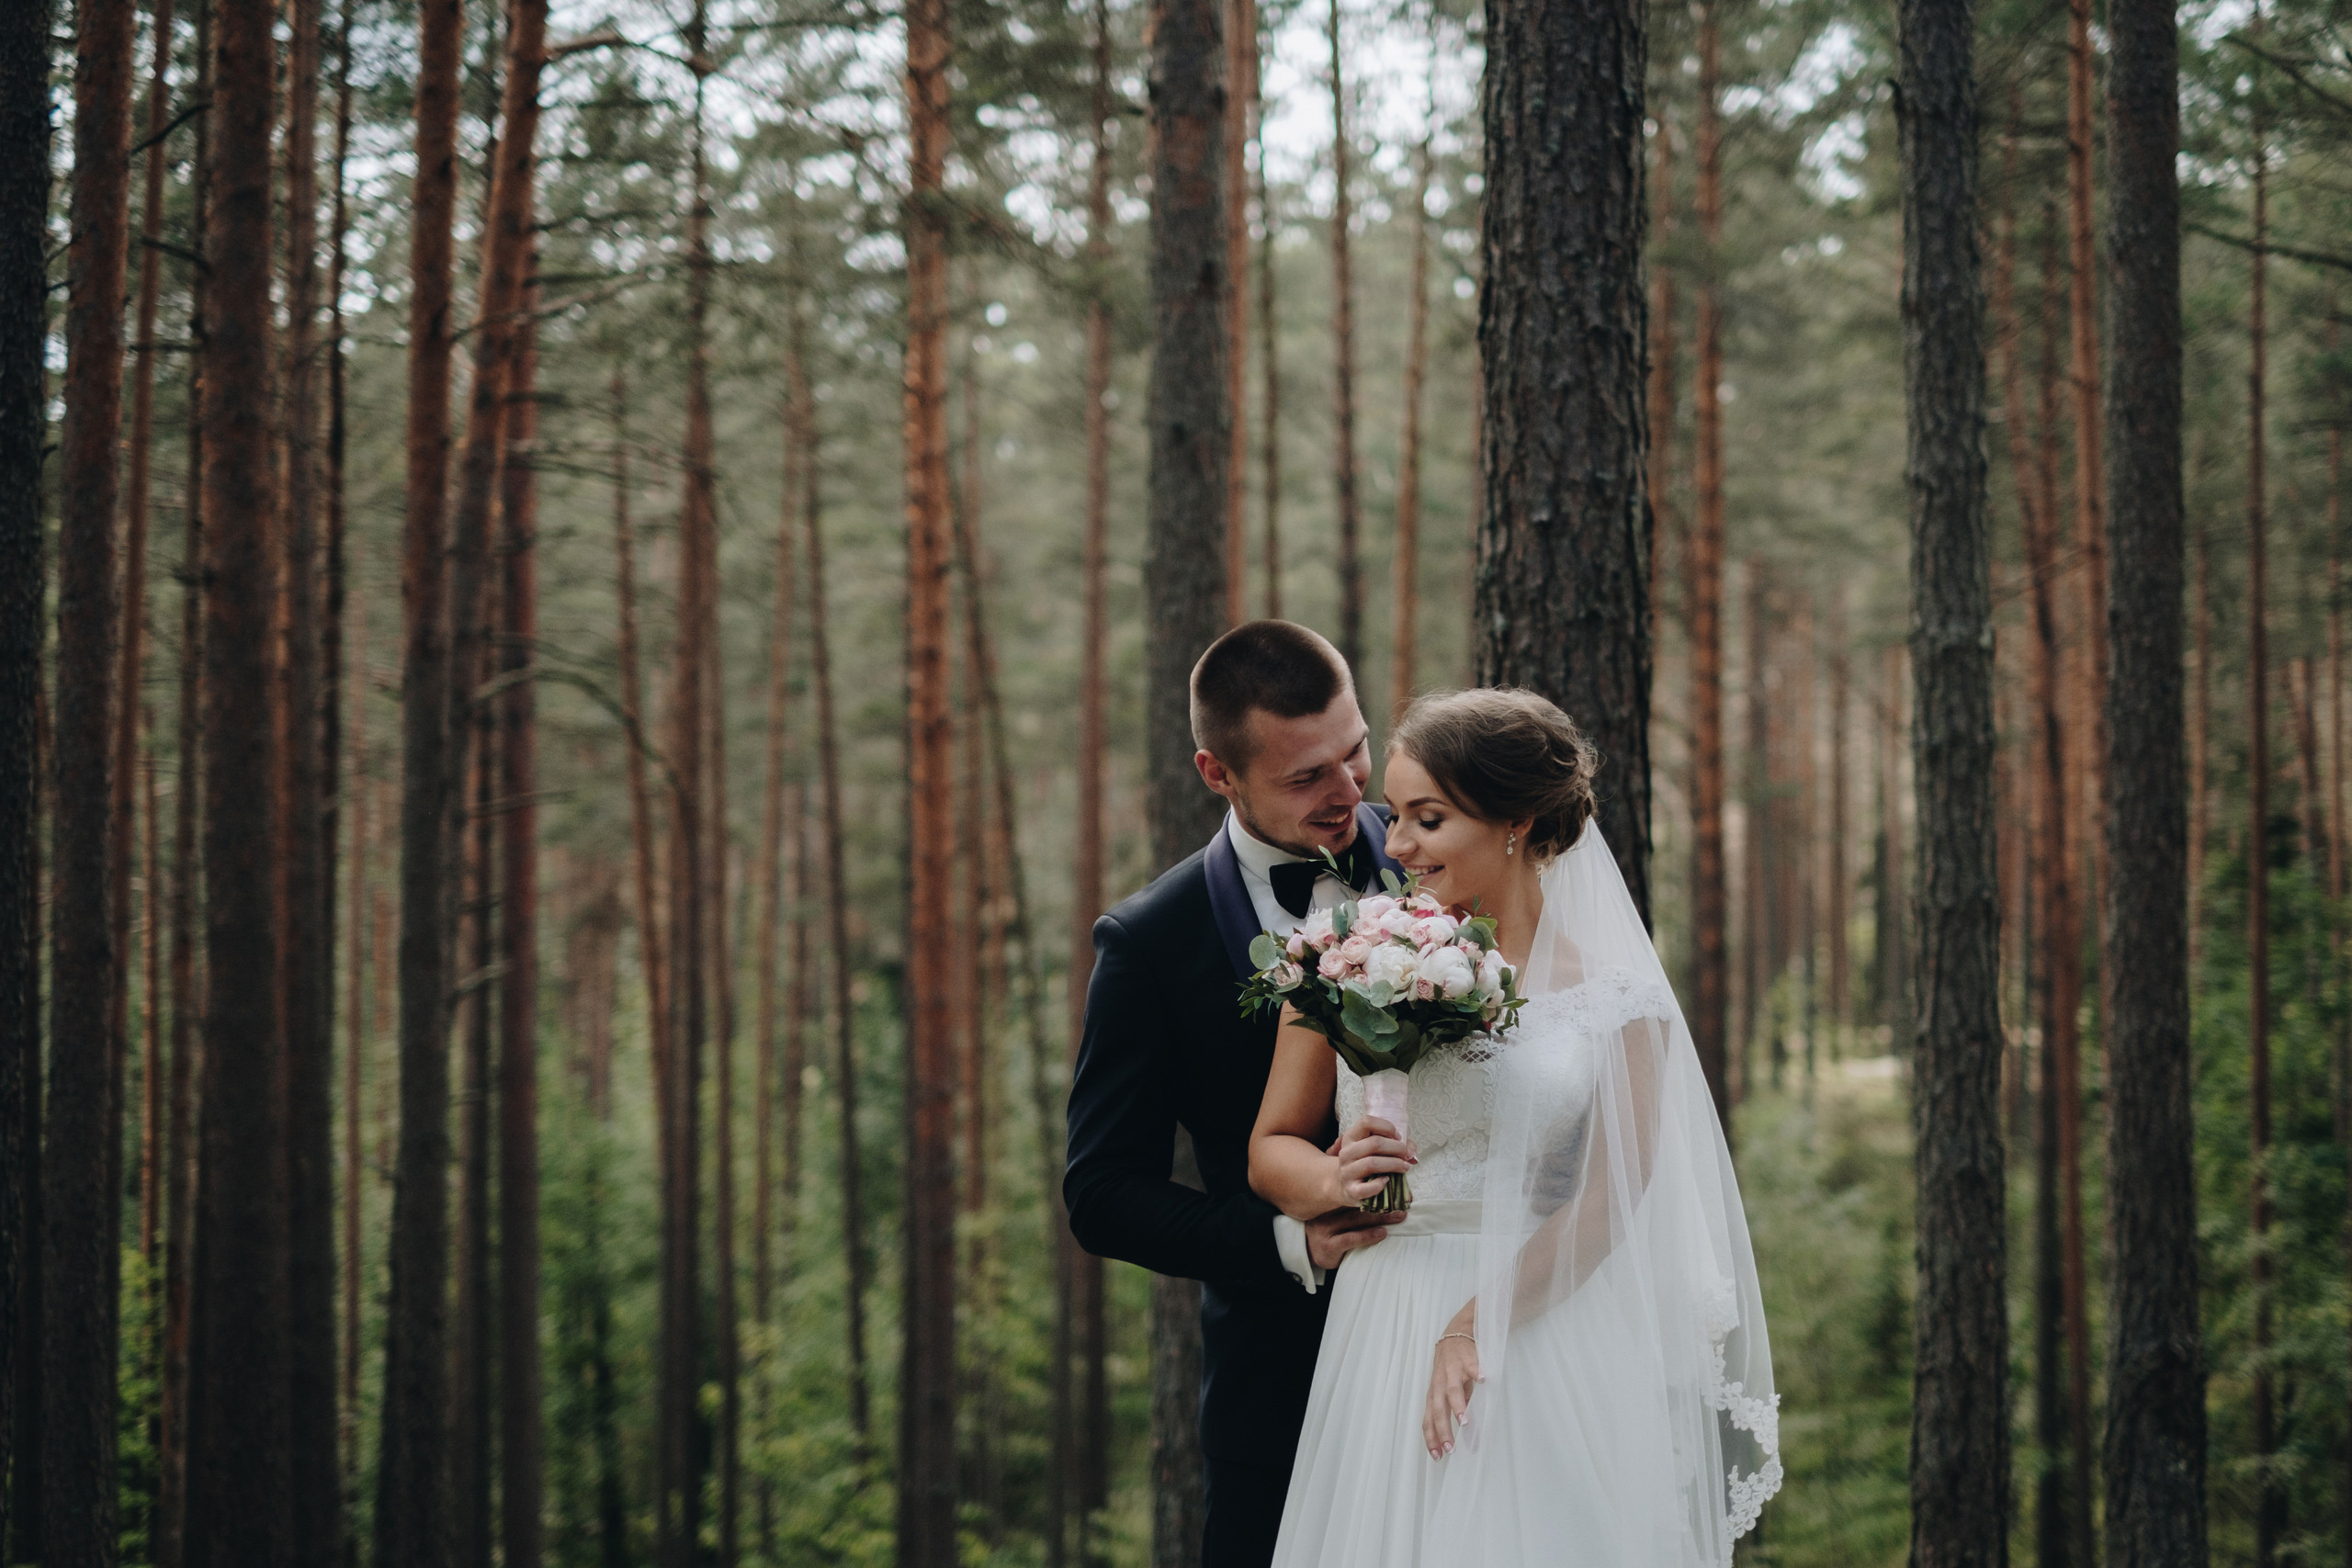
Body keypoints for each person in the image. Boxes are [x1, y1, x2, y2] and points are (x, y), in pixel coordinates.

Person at [1251, 687, 1781, 1568]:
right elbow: (1271, 1147)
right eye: (1397, 814)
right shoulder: (1345, 954)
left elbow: (1614, 1196)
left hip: (1537, 1320)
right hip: (1383, 1316)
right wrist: (1331, 1183)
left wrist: (1473, 1325)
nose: (1399, 843)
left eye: (1429, 817)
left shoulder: (1618, 996)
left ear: (1515, 821)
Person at [1064, 621, 1409, 1568]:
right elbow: (1101, 1196)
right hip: (1281, 1394)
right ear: (1217, 774)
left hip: (1461, 1355)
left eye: (1355, 751)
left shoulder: (1438, 858)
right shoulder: (1147, 946)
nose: (1349, 794)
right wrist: (1285, 1241)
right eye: (1306, 777)